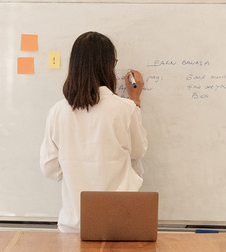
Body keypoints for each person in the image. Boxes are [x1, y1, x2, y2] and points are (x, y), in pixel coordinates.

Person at [39, 31, 149, 233]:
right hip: (118, 224)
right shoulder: (125, 109)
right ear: (108, 66)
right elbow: (138, 150)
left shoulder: (58, 111)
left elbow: (50, 168)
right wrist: (135, 100)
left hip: (73, 226)